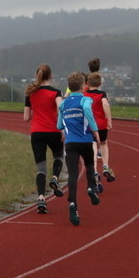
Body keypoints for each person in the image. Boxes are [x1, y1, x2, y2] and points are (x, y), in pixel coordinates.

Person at [57, 71, 102, 227]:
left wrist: (65, 128)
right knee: (89, 164)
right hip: (85, 141)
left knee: (73, 174)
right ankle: (91, 188)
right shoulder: (85, 100)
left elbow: (59, 125)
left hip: (70, 144)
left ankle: (72, 203)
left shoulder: (63, 104)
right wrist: (95, 130)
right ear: (83, 86)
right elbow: (88, 111)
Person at [22, 63, 65, 214]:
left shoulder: (30, 93)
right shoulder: (56, 92)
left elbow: (26, 118)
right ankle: (55, 178)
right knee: (59, 156)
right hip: (53, 131)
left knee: (41, 168)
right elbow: (61, 107)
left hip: (37, 133)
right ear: (51, 76)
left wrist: (37, 111)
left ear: (37, 75)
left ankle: (41, 198)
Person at [84, 71, 116, 183]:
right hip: (101, 125)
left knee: (92, 146)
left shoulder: (85, 95)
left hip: (89, 125)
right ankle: (105, 166)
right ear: (100, 84)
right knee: (103, 143)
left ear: (87, 83)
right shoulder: (102, 94)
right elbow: (106, 105)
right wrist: (109, 120)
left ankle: (94, 171)